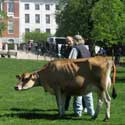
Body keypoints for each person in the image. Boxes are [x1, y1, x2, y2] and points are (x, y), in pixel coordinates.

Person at [65, 35, 95, 117]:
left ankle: (78, 112)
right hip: (88, 74)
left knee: (78, 94)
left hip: (78, 74)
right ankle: (91, 112)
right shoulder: (86, 48)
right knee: (88, 95)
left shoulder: (75, 48)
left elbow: (70, 61)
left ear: (75, 40)